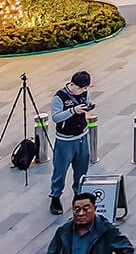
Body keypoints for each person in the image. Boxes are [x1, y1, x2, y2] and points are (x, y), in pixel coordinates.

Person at [48, 71, 94, 215]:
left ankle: (78, 194)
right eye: (80, 88)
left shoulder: (84, 93)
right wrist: (73, 110)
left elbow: (87, 101)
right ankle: (55, 196)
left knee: (81, 168)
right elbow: (56, 117)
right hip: (65, 140)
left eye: (85, 88)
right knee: (60, 170)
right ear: (72, 84)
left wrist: (88, 106)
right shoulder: (59, 97)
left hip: (82, 136)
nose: (82, 91)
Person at [45, 192, 133, 254]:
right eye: (77, 209)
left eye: (86, 209)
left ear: (94, 209)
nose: (81, 213)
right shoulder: (63, 231)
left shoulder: (106, 230)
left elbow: (127, 249)